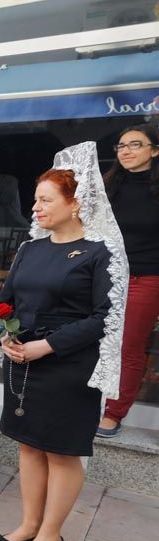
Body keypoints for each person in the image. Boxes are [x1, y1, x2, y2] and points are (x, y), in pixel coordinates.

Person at [0, 142, 124, 541]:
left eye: (46, 200)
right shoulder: (30, 248)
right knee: (29, 446)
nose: (36, 208)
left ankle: (51, 535)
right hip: (23, 362)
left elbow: (106, 317)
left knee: (61, 450)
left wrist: (47, 345)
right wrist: (4, 338)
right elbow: (6, 300)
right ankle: (29, 524)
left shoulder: (99, 253)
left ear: (75, 203)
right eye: (35, 200)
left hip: (68, 365)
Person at [97, 124, 159, 437]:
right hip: (105, 275)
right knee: (94, 339)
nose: (126, 151)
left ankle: (114, 412)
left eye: (136, 144)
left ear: (155, 150)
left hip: (145, 277)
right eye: (121, 145)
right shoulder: (108, 186)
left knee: (128, 347)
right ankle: (89, 400)